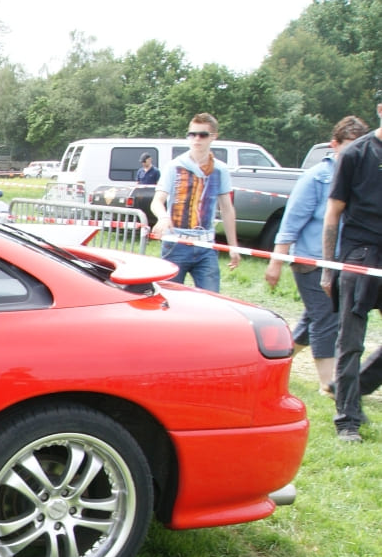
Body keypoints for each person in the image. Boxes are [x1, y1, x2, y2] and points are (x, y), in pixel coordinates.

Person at [265, 116, 370, 396]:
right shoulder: (316, 177)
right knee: (327, 319)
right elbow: (291, 222)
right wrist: (277, 261)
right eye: (349, 146)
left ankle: (274, 361)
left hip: (345, 262)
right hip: (311, 262)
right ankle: (328, 384)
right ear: (334, 145)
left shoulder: (363, 177)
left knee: (313, 320)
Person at [321, 92, 382, 442]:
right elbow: (333, 213)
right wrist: (329, 269)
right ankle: (347, 421)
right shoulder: (356, 153)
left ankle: (351, 391)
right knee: (351, 340)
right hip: (359, 253)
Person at [150, 113, 241, 292]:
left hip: (206, 245)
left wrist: (233, 247)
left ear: (213, 137)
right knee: (169, 299)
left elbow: (227, 209)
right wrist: (162, 217)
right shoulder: (174, 166)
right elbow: (157, 200)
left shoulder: (220, 170)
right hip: (176, 244)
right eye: (192, 134)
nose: (196, 139)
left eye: (202, 135)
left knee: (211, 300)